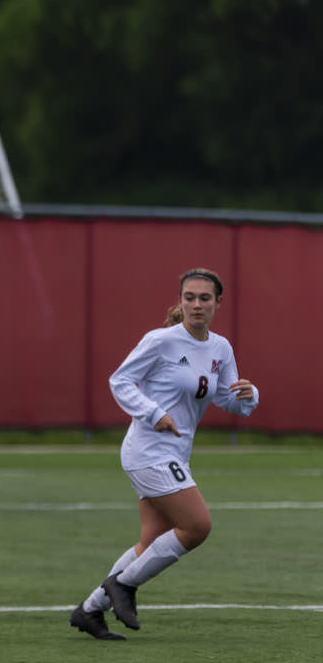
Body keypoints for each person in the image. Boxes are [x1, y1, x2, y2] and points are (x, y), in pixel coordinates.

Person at [69, 267, 259, 640]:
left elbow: (226, 399)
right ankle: (123, 586)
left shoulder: (220, 348)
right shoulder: (160, 341)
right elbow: (120, 380)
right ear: (180, 300)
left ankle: (89, 611)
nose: (196, 305)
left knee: (151, 539)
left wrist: (249, 397)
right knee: (198, 525)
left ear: (219, 302)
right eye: (189, 297)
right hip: (147, 451)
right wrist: (155, 414)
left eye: (205, 298)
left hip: (175, 454)